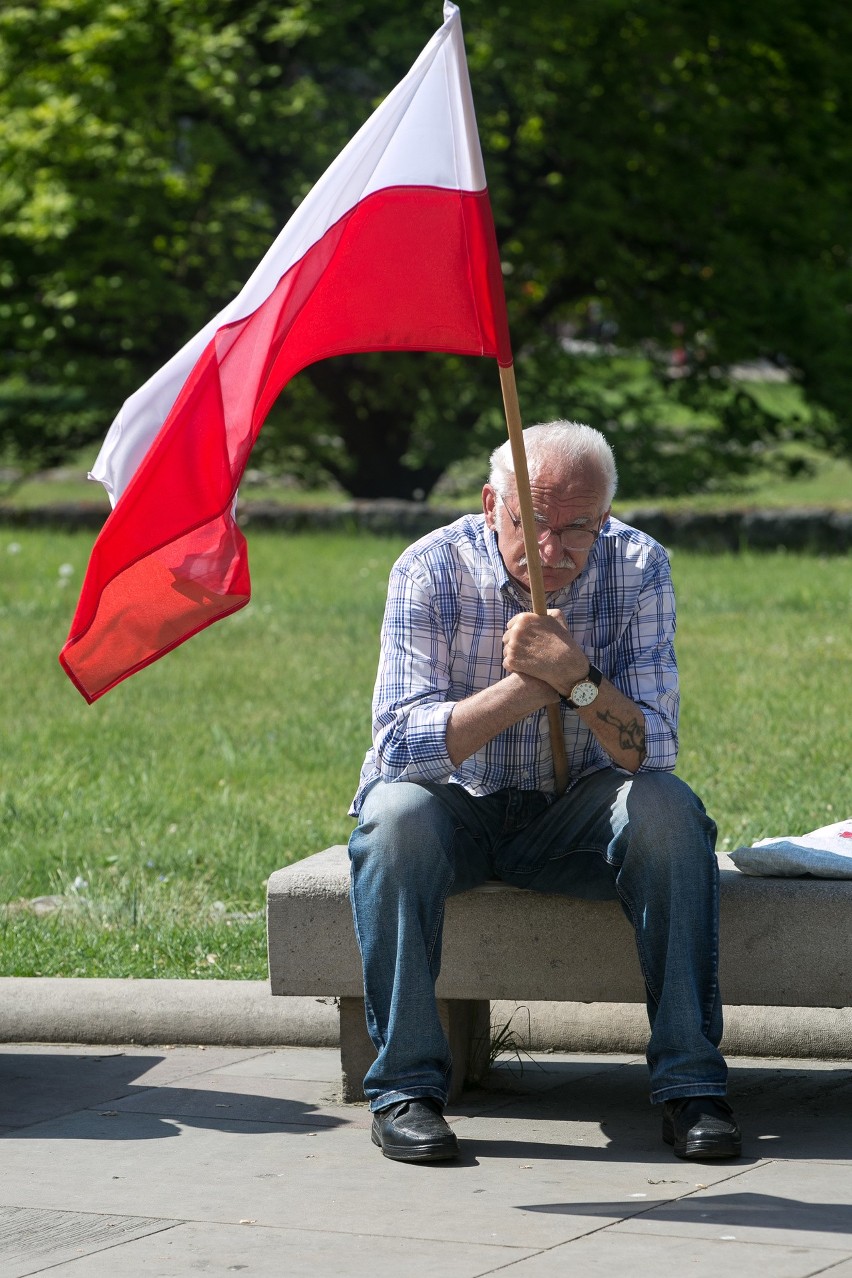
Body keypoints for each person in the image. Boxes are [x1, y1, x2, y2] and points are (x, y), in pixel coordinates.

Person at [348, 420, 741, 1164]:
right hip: (454, 810)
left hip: (579, 817)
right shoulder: (429, 569)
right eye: (534, 522)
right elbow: (398, 748)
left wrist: (577, 679)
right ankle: (405, 1090)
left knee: (668, 812)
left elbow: (653, 748)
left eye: (578, 529)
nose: (554, 550)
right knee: (391, 820)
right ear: (493, 502)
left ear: (606, 516)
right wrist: (526, 691)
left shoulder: (639, 566)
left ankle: (691, 1087)